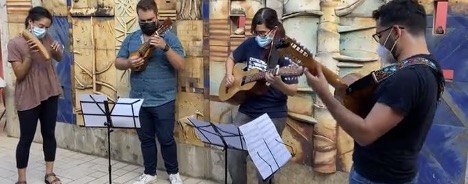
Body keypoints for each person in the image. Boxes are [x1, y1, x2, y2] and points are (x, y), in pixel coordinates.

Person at [304, 1, 445, 184]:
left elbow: (365, 133)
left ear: (396, 32)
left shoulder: (408, 78)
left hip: (379, 179)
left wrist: (323, 94)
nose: (380, 44)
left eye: (380, 36)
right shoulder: (429, 65)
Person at [224, 7, 298, 184]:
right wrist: (230, 75)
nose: (259, 36)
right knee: (234, 153)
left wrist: (278, 82)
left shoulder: (284, 50)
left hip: (273, 113)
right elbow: (231, 58)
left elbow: (293, 89)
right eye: (257, 32)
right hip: (248, 108)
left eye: (263, 32)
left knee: (264, 164)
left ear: (274, 29)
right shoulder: (250, 44)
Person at [114, 0, 185, 183]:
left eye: (150, 19)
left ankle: (173, 172)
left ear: (157, 16)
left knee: (166, 139)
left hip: (163, 99)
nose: (147, 23)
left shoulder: (169, 37)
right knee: (145, 139)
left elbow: (181, 65)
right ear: (138, 18)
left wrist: (165, 47)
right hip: (138, 99)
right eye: (143, 20)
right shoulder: (131, 38)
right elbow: (118, 62)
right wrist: (129, 63)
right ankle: (149, 172)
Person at [7, 6, 64, 184]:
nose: (44, 30)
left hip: (49, 91)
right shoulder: (15, 43)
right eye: (41, 25)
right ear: (30, 22)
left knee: (49, 133)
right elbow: (20, 74)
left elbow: (58, 58)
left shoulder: (46, 37)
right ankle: (21, 179)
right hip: (29, 95)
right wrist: (30, 55)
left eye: (47, 27)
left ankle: (49, 173)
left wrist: (56, 51)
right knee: (26, 137)